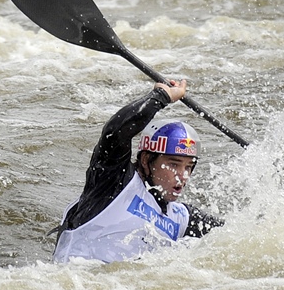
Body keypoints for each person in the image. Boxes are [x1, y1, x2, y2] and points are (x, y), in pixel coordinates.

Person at [51, 80, 224, 263]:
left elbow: (236, 237)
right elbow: (115, 132)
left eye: (189, 167)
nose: (183, 176)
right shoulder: (114, 183)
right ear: (146, 161)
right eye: (174, 164)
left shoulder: (181, 218)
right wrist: (161, 96)